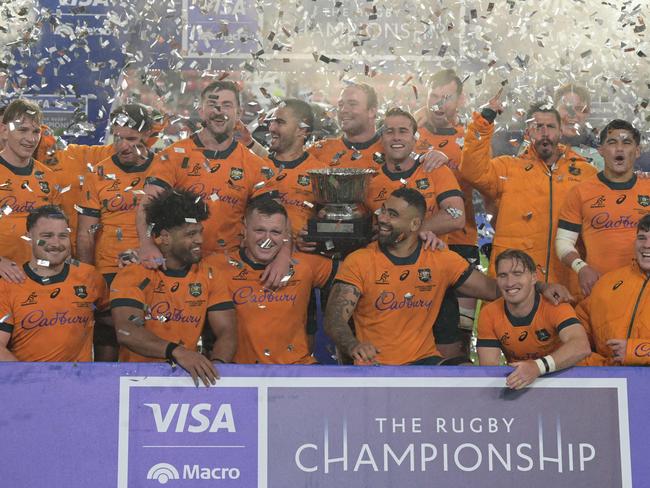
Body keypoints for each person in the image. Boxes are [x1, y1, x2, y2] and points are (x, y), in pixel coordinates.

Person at [324, 188, 569, 366]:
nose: (383, 219)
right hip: (374, 365)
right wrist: (354, 346)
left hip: (424, 362)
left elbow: (494, 290)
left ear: (415, 225)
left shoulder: (440, 259)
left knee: (466, 374)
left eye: (393, 215)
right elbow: (334, 319)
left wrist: (540, 286)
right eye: (384, 212)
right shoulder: (360, 261)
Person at [137, 80, 289, 288]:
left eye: (227, 105)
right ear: (200, 111)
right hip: (178, 266)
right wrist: (146, 244)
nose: (219, 111)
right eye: (212, 105)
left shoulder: (255, 166)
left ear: (239, 112)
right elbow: (147, 204)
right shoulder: (172, 156)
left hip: (229, 271)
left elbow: (277, 218)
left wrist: (283, 256)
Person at [460, 92, 597, 290]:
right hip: (516, 283)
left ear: (560, 132)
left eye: (550, 127)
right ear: (528, 132)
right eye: (537, 127)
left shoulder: (586, 172)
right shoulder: (508, 167)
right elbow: (472, 170)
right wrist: (485, 119)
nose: (544, 133)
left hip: (565, 282)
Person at [111, 188, 237, 386]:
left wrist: (215, 368)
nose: (200, 240)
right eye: (190, 234)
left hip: (188, 381)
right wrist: (177, 352)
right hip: (136, 382)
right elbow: (127, 331)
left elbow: (226, 331)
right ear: (165, 237)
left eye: (200, 232)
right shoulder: (133, 273)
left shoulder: (210, 274)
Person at [210, 198, 336, 364]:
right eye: (259, 230)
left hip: (296, 371)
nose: (267, 239)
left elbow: (356, 272)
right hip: (242, 374)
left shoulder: (305, 265)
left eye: (275, 232)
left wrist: (330, 237)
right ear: (245, 230)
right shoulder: (216, 266)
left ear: (286, 235)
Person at [74, 104, 154, 360]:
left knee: (147, 345)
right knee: (106, 346)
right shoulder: (98, 173)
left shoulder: (165, 169)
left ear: (148, 135)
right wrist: (87, 275)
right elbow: (86, 230)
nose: (123, 146)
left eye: (131, 138)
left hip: (150, 269)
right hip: (108, 272)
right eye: (117, 137)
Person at [0, 205, 106, 361]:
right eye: (47, 236)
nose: (56, 243)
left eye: (63, 236)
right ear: (29, 237)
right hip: (32, 382)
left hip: (79, 382)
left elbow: (111, 321)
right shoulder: (8, 284)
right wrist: (28, 380)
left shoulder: (90, 276)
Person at [556, 119, 648, 297]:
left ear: (637, 151)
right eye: (612, 142)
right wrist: (581, 268)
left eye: (626, 143)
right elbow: (563, 242)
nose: (619, 149)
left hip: (644, 292)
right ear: (601, 150)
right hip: (600, 291)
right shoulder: (580, 192)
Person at [477, 249, 590, 389]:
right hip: (521, 383)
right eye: (503, 275)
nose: (510, 282)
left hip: (566, 380)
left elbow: (581, 346)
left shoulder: (555, 305)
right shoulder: (489, 313)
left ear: (534, 277)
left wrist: (537, 367)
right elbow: (489, 372)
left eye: (517, 274)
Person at [0, 99, 63, 280]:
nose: (31, 139)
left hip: (37, 278)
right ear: (5, 131)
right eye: (22, 130)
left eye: (36, 131)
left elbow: (57, 232)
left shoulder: (48, 177)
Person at [576, 214, 650, 366]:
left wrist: (634, 351)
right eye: (642, 237)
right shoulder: (607, 282)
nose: (647, 245)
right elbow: (575, 338)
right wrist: (600, 369)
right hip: (610, 384)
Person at [255, 99, 328, 237]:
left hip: (302, 256)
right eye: (272, 121)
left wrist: (314, 236)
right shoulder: (256, 167)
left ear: (302, 130)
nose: (271, 128)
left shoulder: (321, 174)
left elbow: (330, 225)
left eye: (280, 122)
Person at [308, 82, 384, 170]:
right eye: (340, 105)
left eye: (352, 104)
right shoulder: (318, 151)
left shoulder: (392, 152)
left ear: (371, 111)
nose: (343, 110)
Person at [554, 84, 603, 170]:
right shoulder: (535, 149)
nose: (572, 115)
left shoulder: (602, 154)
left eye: (579, 108)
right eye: (566, 108)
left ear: (588, 113)